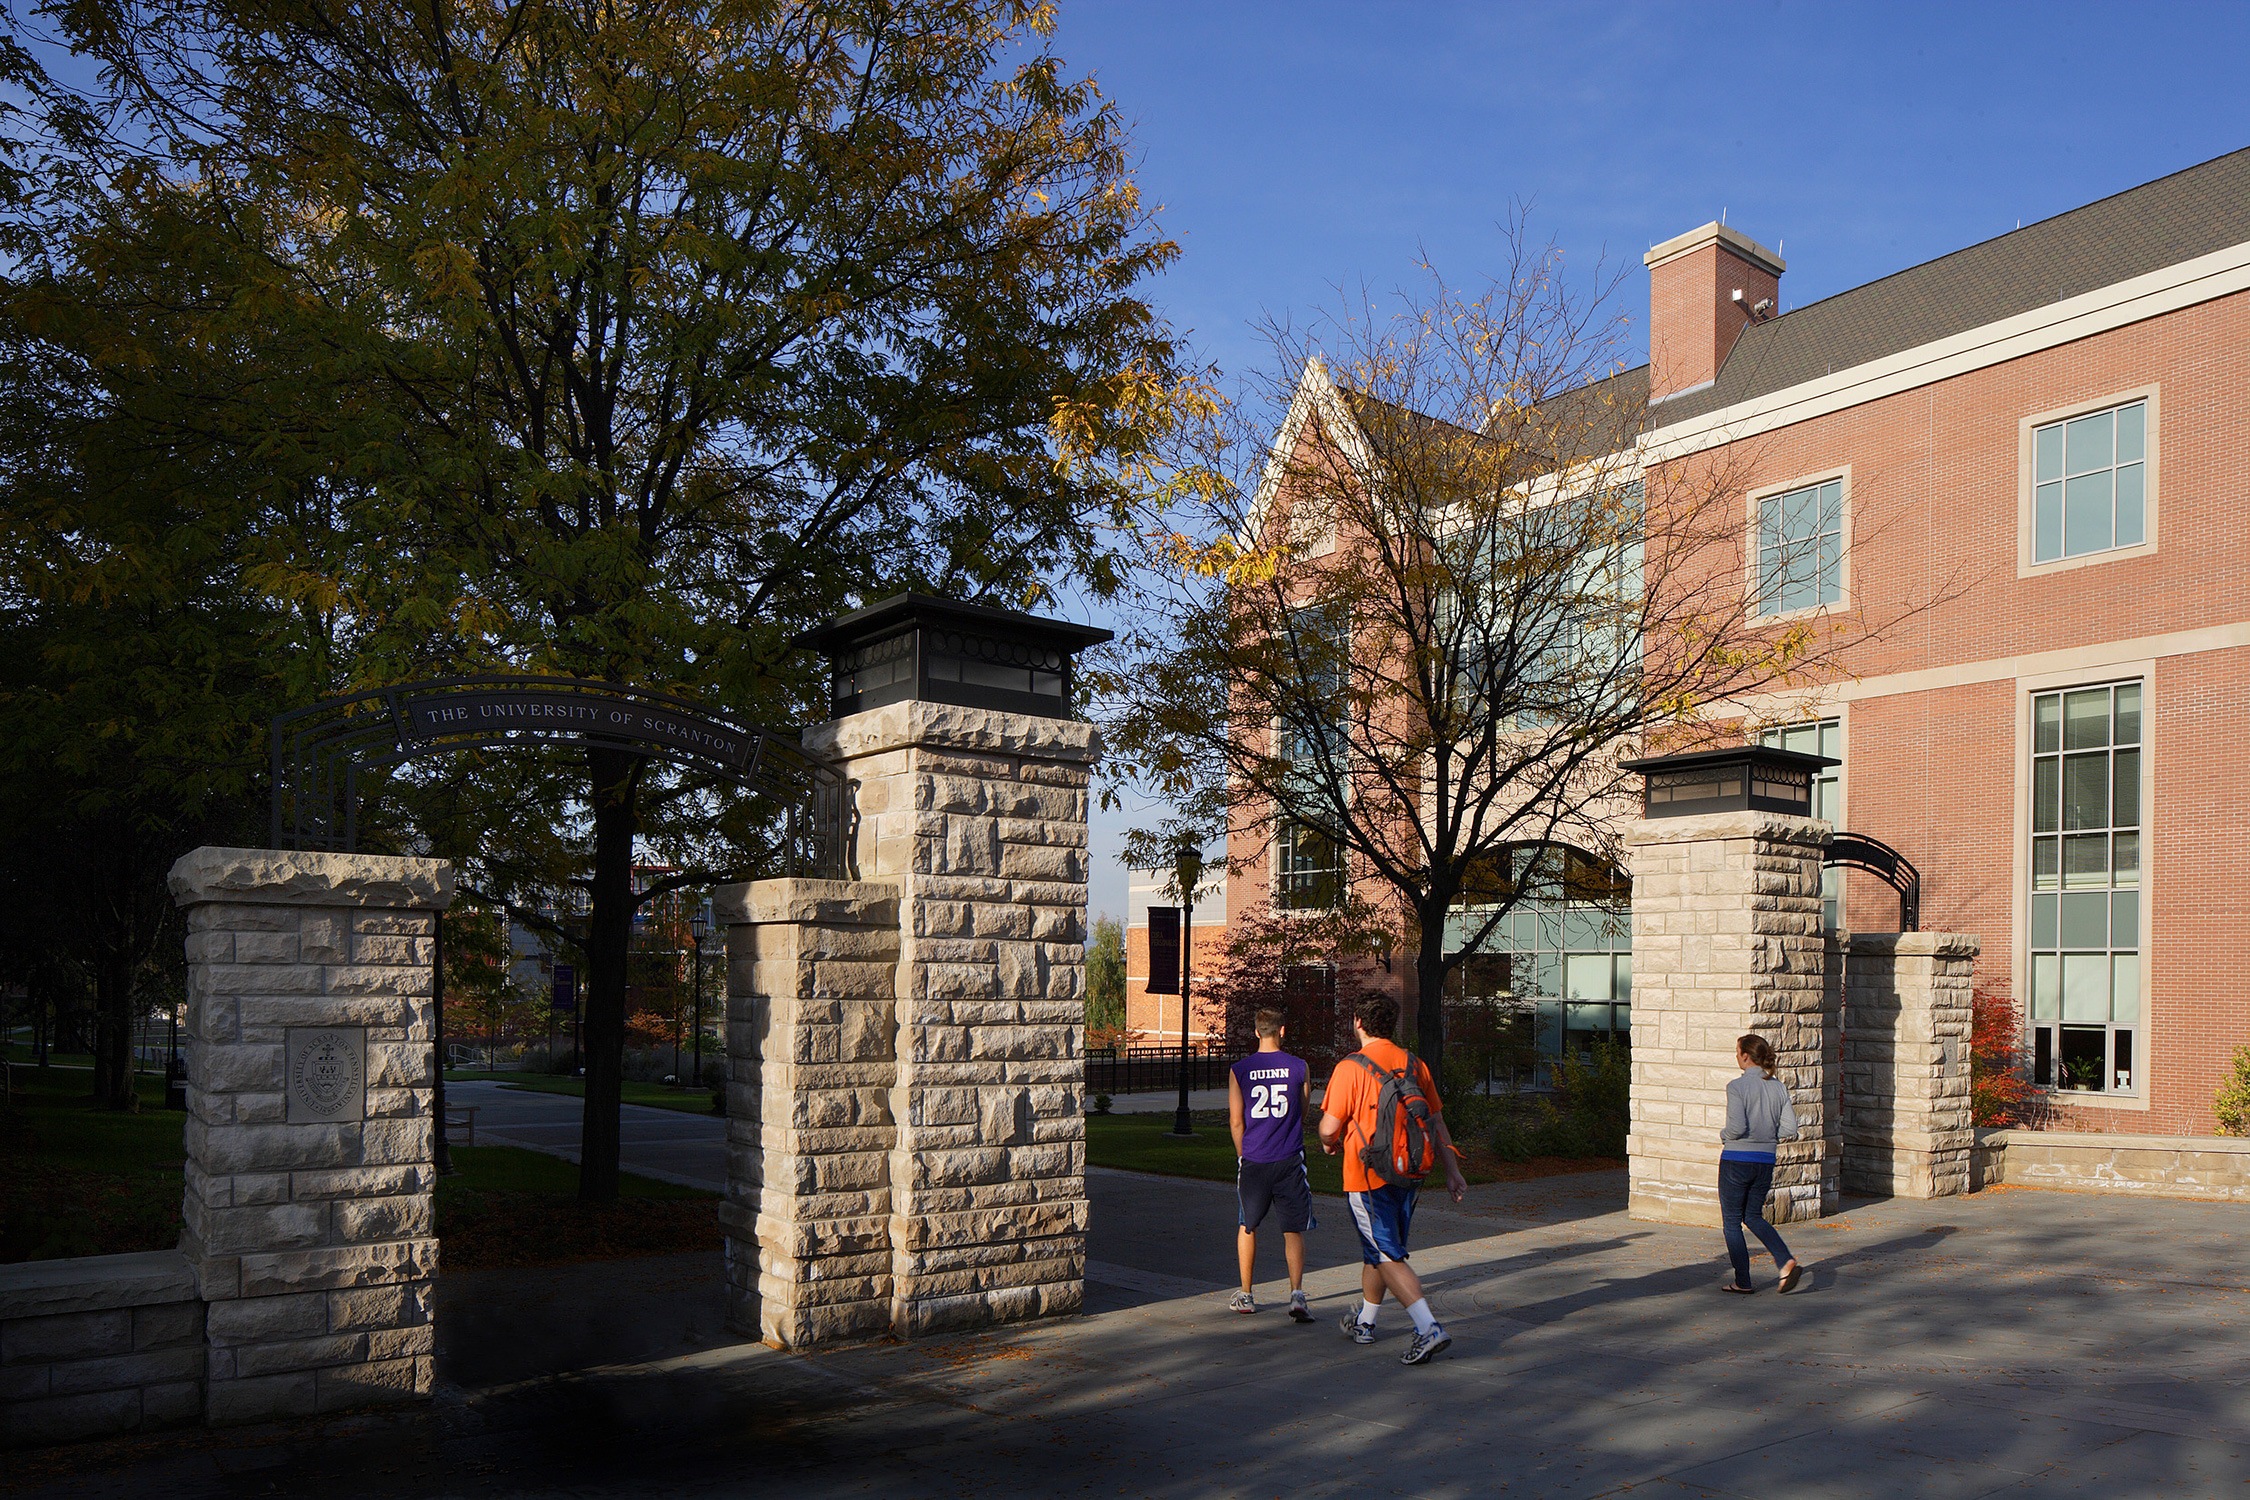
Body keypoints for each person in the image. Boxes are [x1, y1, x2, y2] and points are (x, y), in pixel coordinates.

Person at [1318, 995, 1468, 1365]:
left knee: (1386, 1252)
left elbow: (1328, 1127)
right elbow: (1436, 1121)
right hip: (1409, 1173)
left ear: (1357, 1022)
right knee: (1380, 1249)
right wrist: (1453, 1170)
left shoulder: (1350, 1068)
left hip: (1367, 1175)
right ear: (1393, 1024)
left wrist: (1328, 1143)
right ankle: (1365, 1323)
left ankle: (1427, 1327)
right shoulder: (1415, 1064)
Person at [1227, 1007, 1316, 1319]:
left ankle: (1247, 1294)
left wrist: (1244, 1153)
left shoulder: (1240, 1070)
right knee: (1292, 1228)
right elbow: (1302, 1111)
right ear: (1282, 1031)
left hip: (1254, 1158)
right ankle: (1296, 1295)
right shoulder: (1299, 1067)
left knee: (1247, 1224)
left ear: (1256, 1032)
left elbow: (1236, 1122)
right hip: (1289, 1157)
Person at [1719, 1033, 1806, 1295]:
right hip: (1765, 1160)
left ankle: (1743, 1281)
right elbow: (1790, 1127)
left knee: (1732, 1222)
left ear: (1745, 1055)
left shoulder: (1736, 1086)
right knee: (1753, 1216)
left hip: (1737, 1159)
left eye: (1737, 1052)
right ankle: (1785, 1260)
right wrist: (1766, 1136)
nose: (1737, 1056)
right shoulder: (1778, 1086)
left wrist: (1724, 1136)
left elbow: (1736, 1128)